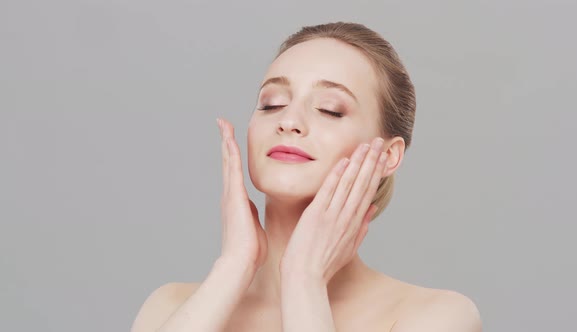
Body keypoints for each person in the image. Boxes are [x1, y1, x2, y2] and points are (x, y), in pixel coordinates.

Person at [131, 22, 482, 332]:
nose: (289, 121)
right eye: (272, 103)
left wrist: (303, 280)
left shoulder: (436, 317)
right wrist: (233, 266)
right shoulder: (169, 306)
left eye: (330, 109)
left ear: (388, 156)